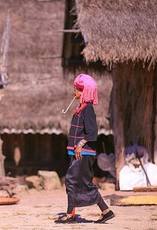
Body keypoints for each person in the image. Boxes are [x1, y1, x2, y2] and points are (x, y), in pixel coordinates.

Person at [55, 74, 115, 224]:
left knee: (77, 182)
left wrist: (80, 145)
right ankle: (73, 214)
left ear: (85, 91)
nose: (74, 90)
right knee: (74, 181)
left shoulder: (87, 109)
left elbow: (92, 132)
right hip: (78, 152)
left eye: (78, 88)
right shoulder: (80, 108)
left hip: (83, 152)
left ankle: (104, 211)